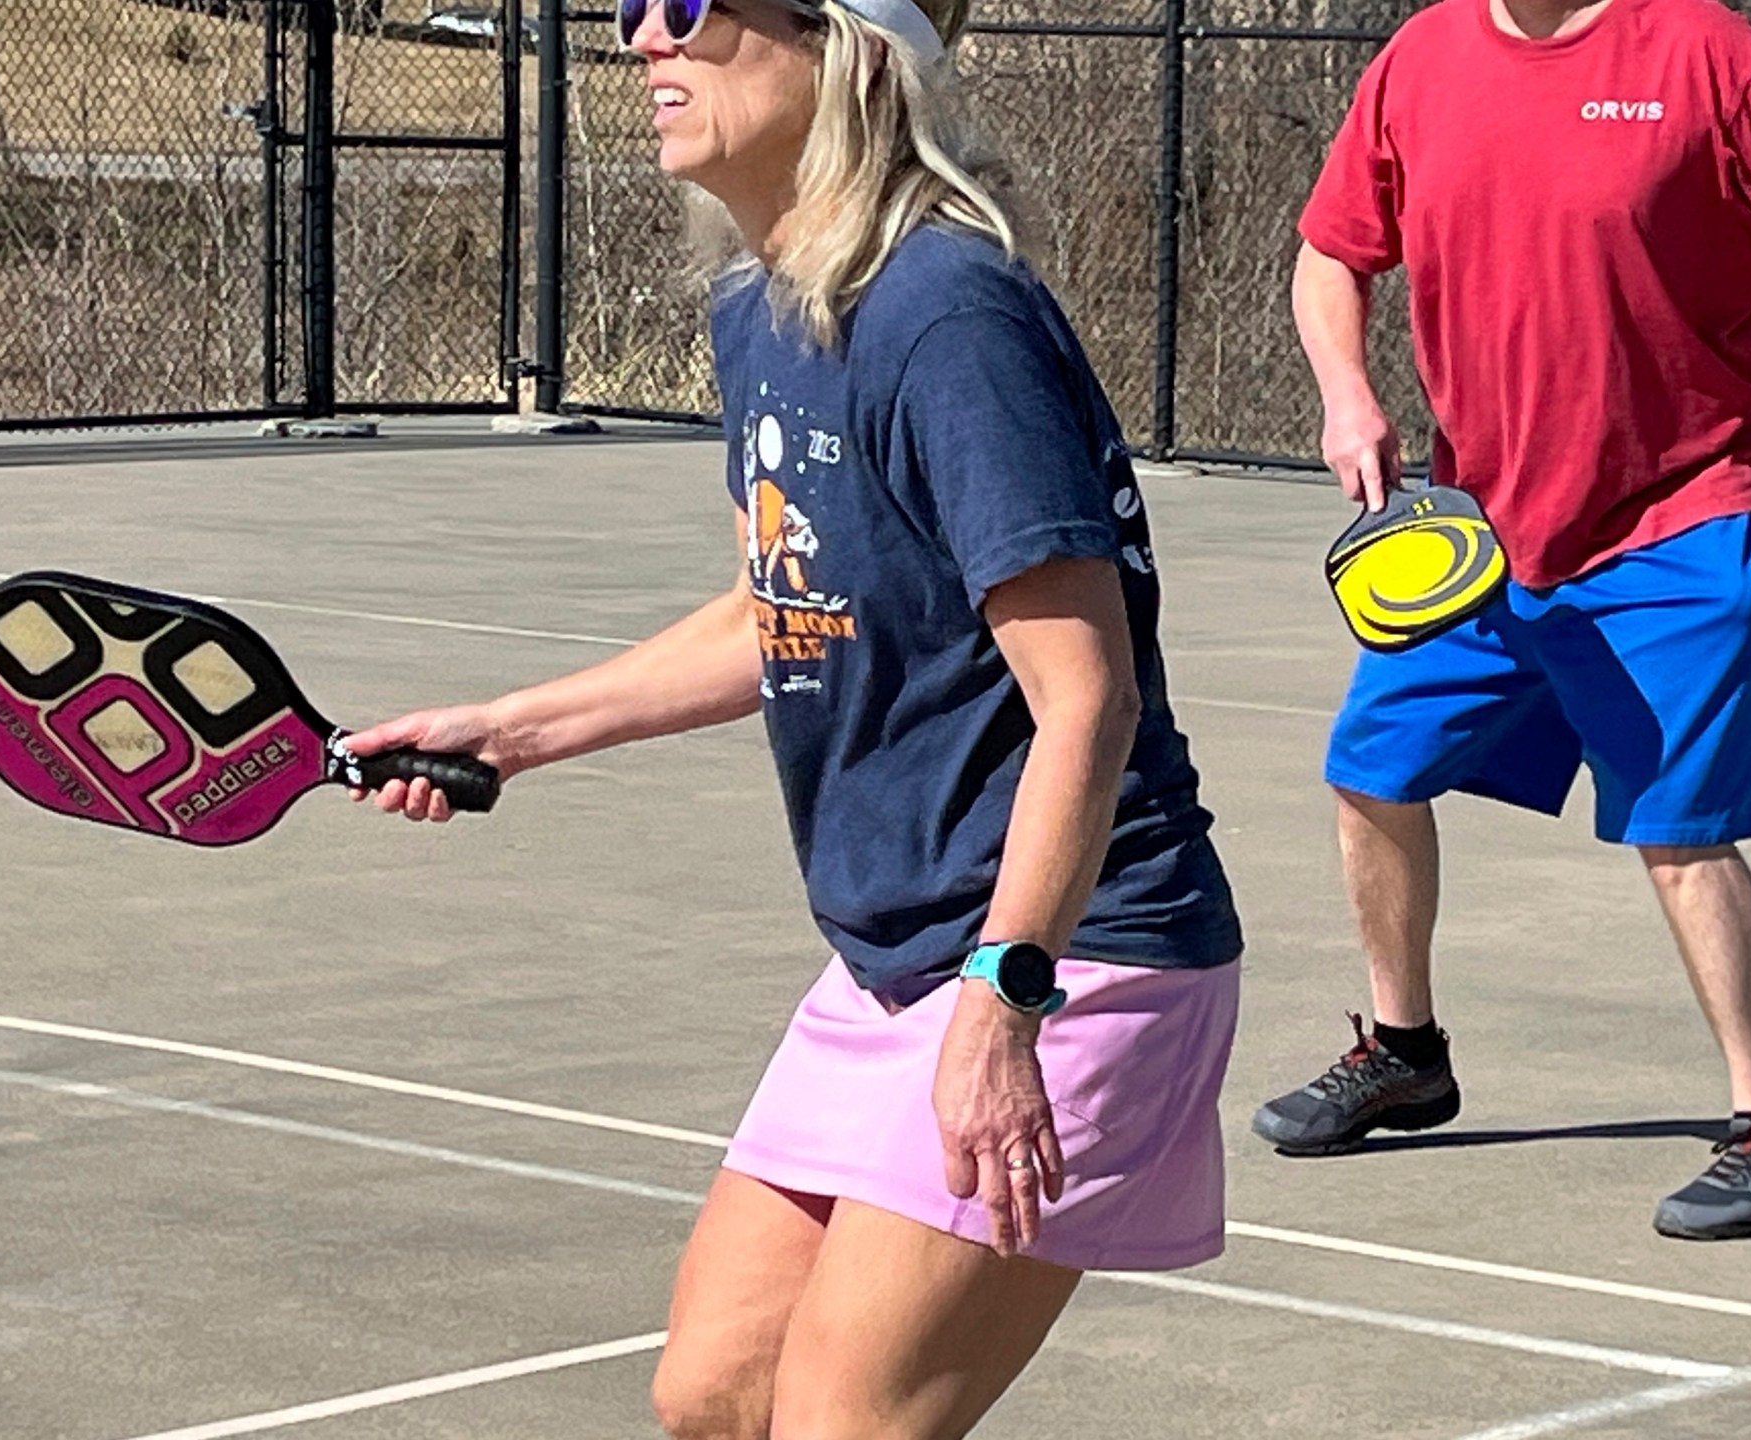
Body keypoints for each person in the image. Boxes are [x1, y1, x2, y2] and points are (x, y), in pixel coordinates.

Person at [344, 0, 1245, 1432]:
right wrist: (513, 727)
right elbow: (790, 597)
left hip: (1073, 951)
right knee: (716, 1393)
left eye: (691, 7)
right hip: (893, 957)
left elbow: (1090, 695)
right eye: (634, 8)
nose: (644, 39)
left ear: (848, 45)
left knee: (846, 1420)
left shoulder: (946, 314)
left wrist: (1006, 1004)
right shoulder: (768, 302)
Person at [1251, 0, 1751, 1241]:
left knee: (1681, 832)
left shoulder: (1703, 51)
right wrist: (1346, 393)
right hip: (1482, 533)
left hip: (1679, 514)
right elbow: (1328, 252)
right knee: (1371, 773)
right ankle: (1406, 1053)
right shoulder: (1423, 57)